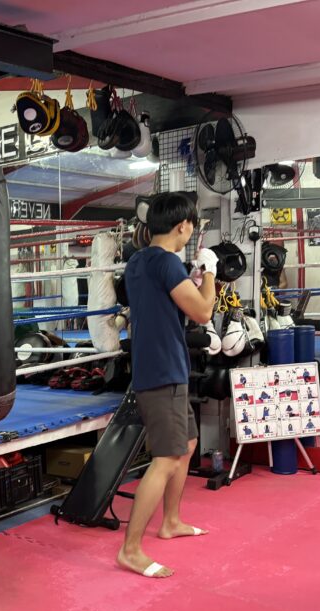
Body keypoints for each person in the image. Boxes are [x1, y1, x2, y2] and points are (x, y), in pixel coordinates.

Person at [119, 192, 217, 579]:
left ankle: (171, 521)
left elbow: (165, 300)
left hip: (158, 367)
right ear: (183, 226)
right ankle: (130, 550)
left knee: (187, 444)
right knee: (165, 459)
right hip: (163, 372)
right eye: (191, 224)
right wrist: (210, 273)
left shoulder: (139, 260)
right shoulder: (166, 262)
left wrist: (191, 280)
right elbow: (203, 311)